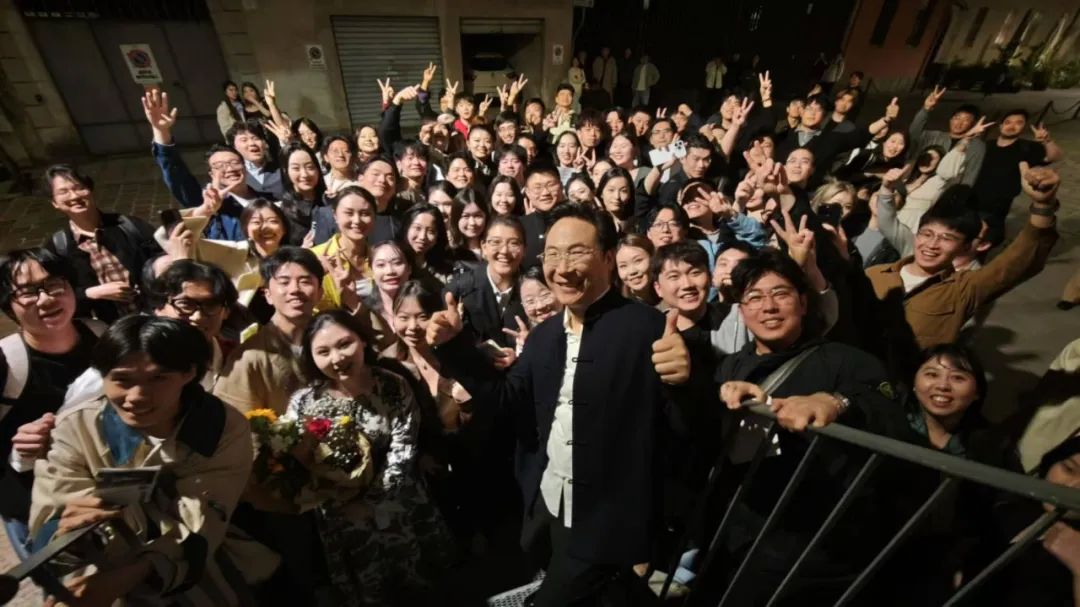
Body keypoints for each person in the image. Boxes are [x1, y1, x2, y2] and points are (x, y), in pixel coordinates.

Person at [426, 203, 695, 606]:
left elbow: (689, 430)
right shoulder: (545, 335)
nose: (562, 267)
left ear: (608, 258)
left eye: (577, 252)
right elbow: (506, 399)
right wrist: (455, 347)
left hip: (609, 518)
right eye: (552, 254)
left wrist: (684, 383)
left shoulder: (648, 328)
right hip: (550, 503)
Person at [705, 250, 904, 606]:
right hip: (740, 534)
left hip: (817, 549)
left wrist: (835, 402)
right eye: (754, 297)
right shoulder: (729, 366)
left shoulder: (846, 360)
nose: (769, 307)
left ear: (803, 301)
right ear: (741, 311)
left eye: (780, 294)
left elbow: (887, 408)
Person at [30, 315, 270, 605]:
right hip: (97, 576)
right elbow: (49, 521)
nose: (137, 396)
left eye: (158, 378)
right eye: (122, 379)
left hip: (199, 573)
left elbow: (205, 518)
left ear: (189, 373)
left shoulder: (221, 427)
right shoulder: (76, 429)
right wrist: (73, 533)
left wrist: (139, 571)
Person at [287, 310, 450, 606]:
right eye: (323, 351)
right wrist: (338, 501)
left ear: (362, 340)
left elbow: (403, 448)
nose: (337, 358)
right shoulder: (304, 403)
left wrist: (370, 502)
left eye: (344, 344)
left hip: (398, 502)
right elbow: (298, 462)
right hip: (342, 515)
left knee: (421, 588)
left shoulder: (392, 385)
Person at [864, 167, 1061, 376]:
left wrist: (1043, 206)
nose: (932, 244)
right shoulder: (874, 274)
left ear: (966, 247)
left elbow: (1018, 262)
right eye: (926, 234)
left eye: (947, 238)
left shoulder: (964, 289)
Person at [0, 248, 102, 561]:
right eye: (27, 292)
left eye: (54, 284)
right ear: (8, 305)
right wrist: (17, 451)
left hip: (103, 495)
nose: (45, 299)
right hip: (38, 508)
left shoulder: (103, 336)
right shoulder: (6, 363)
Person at [146, 89, 270, 242]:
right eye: (220, 166)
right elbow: (177, 175)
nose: (229, 169)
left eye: (234, 162)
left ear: (244, 166)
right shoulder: (209, 203)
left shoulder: (268, 199)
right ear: (211, 174)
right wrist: (161, 131)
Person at [43, 164, 162, 323]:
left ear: (90, 191)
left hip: (155, 317)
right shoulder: (59, 247)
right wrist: (91, 293)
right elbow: (56, 294)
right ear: (55, 203)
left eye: (79, 188)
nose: (74, 196)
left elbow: (161, 260)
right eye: (63, 192)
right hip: (109, 327)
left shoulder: (129, 226)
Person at [214, 246, 324, 415]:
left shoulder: (333, 342)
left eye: (305, 281)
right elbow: (234, 420)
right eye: (284, 282)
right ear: (268, 295)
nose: (294, 290)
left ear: (320, 293)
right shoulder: (249, 357)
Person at [971, 109, 1063, 245]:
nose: (1012, 126)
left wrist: (1047, 141)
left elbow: (1054, 157)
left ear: (1023, 127)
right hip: (971, 198)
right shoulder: (987, 145)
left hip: (998, 205)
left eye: (1018, 123)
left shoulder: (1027, 147)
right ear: (1001, 126)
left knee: (984, 241)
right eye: (1008, 122)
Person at [148, 260, 238, 390]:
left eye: (210, 305)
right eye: (185, 304)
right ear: (159, 307)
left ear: (226, 311)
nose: (198, 317)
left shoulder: (238, 358)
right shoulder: (138, 362)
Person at [446, 216, 528, 352]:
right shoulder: (460, 288)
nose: (504, 251)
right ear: (484, 247)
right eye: (496, 242)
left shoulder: (534, 289)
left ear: (525, 249)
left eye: (514, 243)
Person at [309, 186, 376, 312]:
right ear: (335, 215)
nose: (357, 221)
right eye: (349, 213)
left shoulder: (380, 257)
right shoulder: (315, 257)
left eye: (365, 214)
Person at [909, 87, 985, 186]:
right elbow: (912, 134)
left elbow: (971, 174)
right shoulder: (934, 136)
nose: (959, 123)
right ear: (951, 119)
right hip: (918, 186)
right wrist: (926, 109)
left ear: (973, 124)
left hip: (948, 190)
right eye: (957, 118)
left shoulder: (977, 146)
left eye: (966, 120)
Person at [278, 142, 328, 246]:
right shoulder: (282, 212)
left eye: (310, 167)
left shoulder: (329, 201)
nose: (304, 174)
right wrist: (302, 250)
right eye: (296, 168)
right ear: (286, 171)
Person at [400, 203, 457, 286]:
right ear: (406, 228)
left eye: (431, 231)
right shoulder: (394, 263)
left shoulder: (445, 270)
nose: (423, 237)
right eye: (417, 228)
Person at [521, 165, 567, 266]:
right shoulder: (519, 226)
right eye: (538, 187)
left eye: (551, 185)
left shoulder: (575, 222)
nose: (545, 192)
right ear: (527, 192)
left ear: (561, 186)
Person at [227, 120, 284, 199]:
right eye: (244, 140)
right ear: (234, 147)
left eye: (256, 138)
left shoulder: (282, 168)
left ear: (265, 144)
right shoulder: (233, 176)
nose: (252, 143)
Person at [616, 233, 659, 306]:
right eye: (623, 266)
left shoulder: (672, 301)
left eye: (638, 261)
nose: (632, 271)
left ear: (653, 258)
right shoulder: (617, 308)